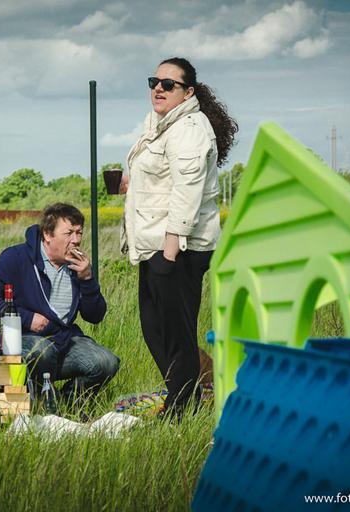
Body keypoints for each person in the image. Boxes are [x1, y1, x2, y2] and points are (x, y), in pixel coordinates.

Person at [120, 57, 238, 418]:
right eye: (154, 81)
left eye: (168, 84)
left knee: (174, 333)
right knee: (156, 328)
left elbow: (187, 193)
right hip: (158, 244)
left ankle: (181, 409)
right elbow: (162, 179)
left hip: (179, 247)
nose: (159, 87)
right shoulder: (161, 124)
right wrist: (132, 184)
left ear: (188, 92)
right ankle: (187, 396)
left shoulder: (189, 127)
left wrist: (169, 253)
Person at [0, 203, 119, 408]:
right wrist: (27, 318)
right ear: (48, 235)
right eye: (68, 233)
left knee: (106, 362)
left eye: (79, 232)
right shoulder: (16, 257)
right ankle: (41, 404)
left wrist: (87, 279)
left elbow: (95, 316)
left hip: (63, 342)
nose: (76, 240)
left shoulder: (78, 266)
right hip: (21, 341)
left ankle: (68, 404)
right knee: (43, 350)